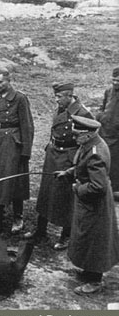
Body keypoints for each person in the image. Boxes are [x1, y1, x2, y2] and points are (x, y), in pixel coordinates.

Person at [54, 115, 119, 295]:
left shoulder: (96, 153)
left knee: (95, 240)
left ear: (88, 134)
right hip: (89, 203)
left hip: (95, 204)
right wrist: (67, 173)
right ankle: (89, 271)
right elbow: (82, 166)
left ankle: (95, 280)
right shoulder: (89, 145)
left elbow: (97, 186)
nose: (74, 138)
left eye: (76, 135)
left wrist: (77, 188)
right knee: (87, 238)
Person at [26, 83, 94, 250]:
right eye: (55, 96)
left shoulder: (83, 113)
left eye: (59, 97)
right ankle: (40, 230)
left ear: (69, 95)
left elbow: (89, 137)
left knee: (66, 196)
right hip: (53, 153)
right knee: (46, 192)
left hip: (69, 157)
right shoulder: (62, 108)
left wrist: (78, 161)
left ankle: (65, 235)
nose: (56, 100)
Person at [0, 66, 34, 233]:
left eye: (0, 82)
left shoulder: (19, 98)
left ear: (9, 81)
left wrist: (26, 151)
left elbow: (27, 126)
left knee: (15, 180)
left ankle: (18, 216)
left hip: (12, 144)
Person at [96, 67, 119, 195]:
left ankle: (115, 189)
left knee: (116, 162)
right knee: (104, 159)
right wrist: (100, 117)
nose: (115, 83)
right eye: (114, 80)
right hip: (105, 132)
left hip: (117, 136)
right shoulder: (108, 91)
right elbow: (103, 107)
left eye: (118, 81)